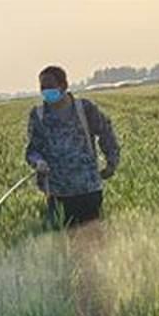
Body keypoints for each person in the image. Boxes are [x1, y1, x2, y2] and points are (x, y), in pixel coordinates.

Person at [25, 65, 120, 228]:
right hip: (58, 192)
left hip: (88, 188)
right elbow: (33, 150)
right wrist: (38, 162)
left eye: (50, 86)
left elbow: (106, 132)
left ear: (64, 86)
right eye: (43, 87)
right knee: (66, 243)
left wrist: (111, 162)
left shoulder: (84, 108)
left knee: (93, 239)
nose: (46, 91)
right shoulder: (38, 115)